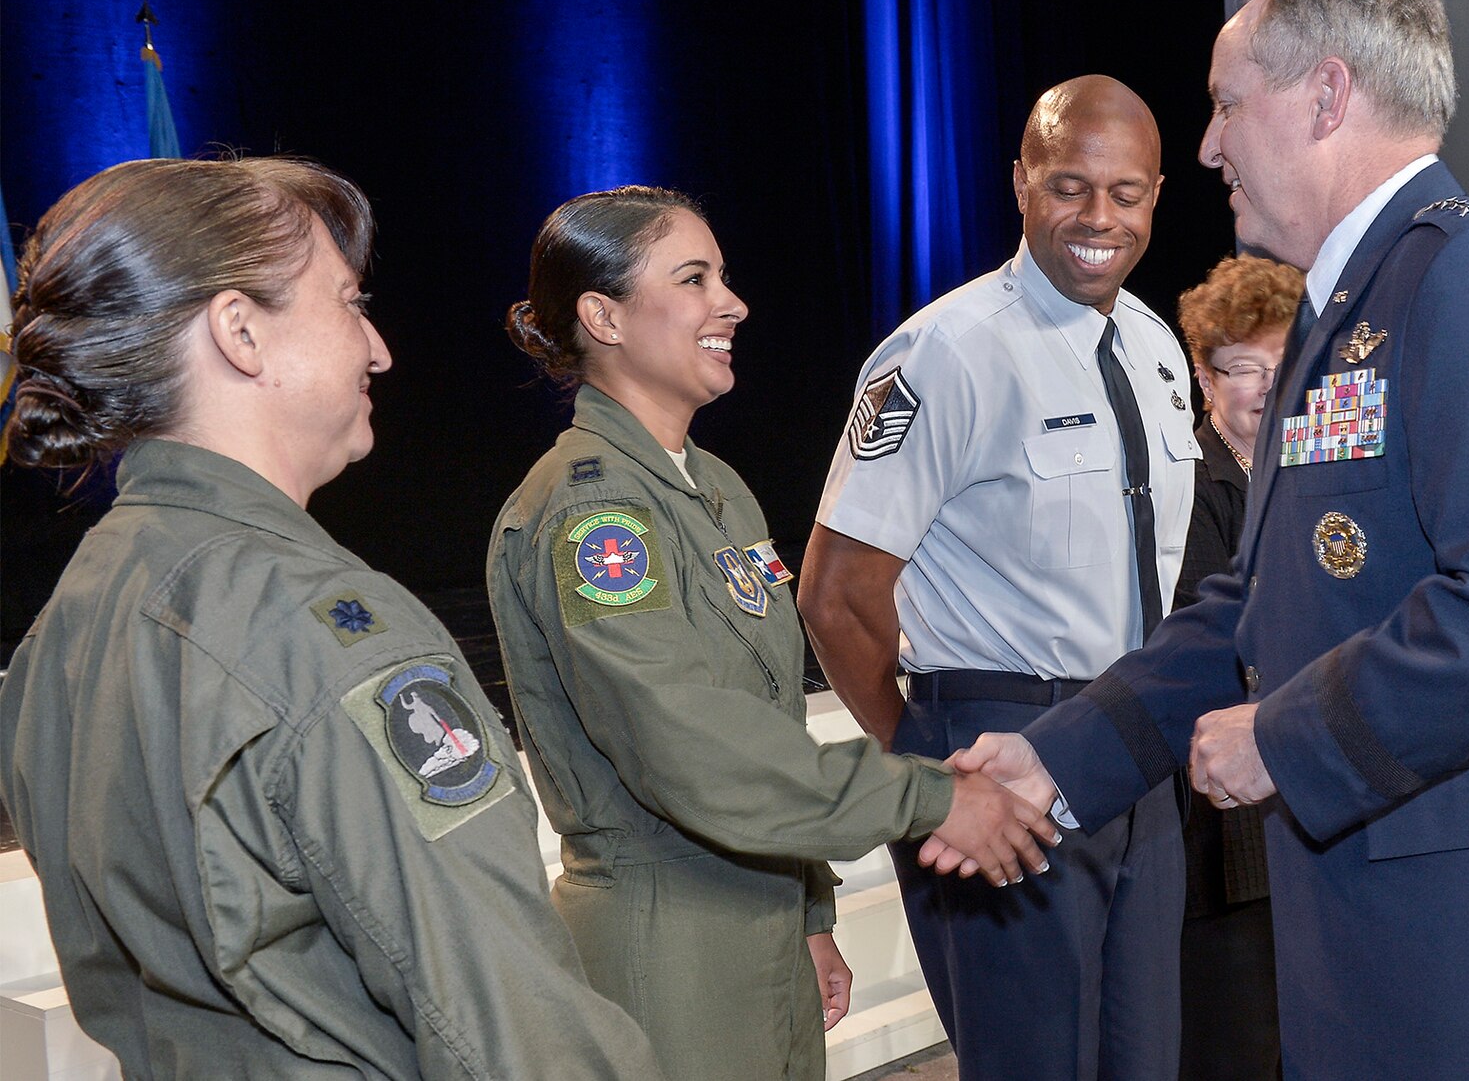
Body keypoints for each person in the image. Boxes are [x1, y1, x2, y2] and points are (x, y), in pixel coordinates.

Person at [944, 0, 1469, 1077]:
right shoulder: (1351, 298)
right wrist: (1052, 759)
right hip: (1406, 929)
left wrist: (1283, 733)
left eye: (1225, 104)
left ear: (1324, 96)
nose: (1209, 145)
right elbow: (1263, 597)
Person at [0, 157, 663, 1078]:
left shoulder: (71, 620)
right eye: (348, 301)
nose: (378, 346)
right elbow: (517, 1031)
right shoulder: (324, 633)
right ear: (241, 332)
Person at [485, 187, 1055, 1080]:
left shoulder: (716, 489)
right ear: (604, 316)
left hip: (765, 927)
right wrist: (931, 796)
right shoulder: (595, 512)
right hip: (671, 941)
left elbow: (765, 713)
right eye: (694, 277)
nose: (733, 302)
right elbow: (689, 744)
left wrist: (811, 913)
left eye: (724, 275)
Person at [798, 75, 1195, 1080]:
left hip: (1132, 753)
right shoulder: (945, 351)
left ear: (1155, 196)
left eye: (1126, 191)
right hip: (993, 750)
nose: (1098, 218)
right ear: (1019, 181)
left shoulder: (1154, 346)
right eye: (1068, 185)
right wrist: (919, 766)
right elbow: (836, 593)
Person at [1171, 254, 1300, 1081]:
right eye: (1241, 368)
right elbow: (1214, 644)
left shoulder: (1319, 473)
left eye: (1281, 367)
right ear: (1203, 372)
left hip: (1310, 789)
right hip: (1224, 823)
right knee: (1238, 1041)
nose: (1262, 387)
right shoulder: (1188, 480)